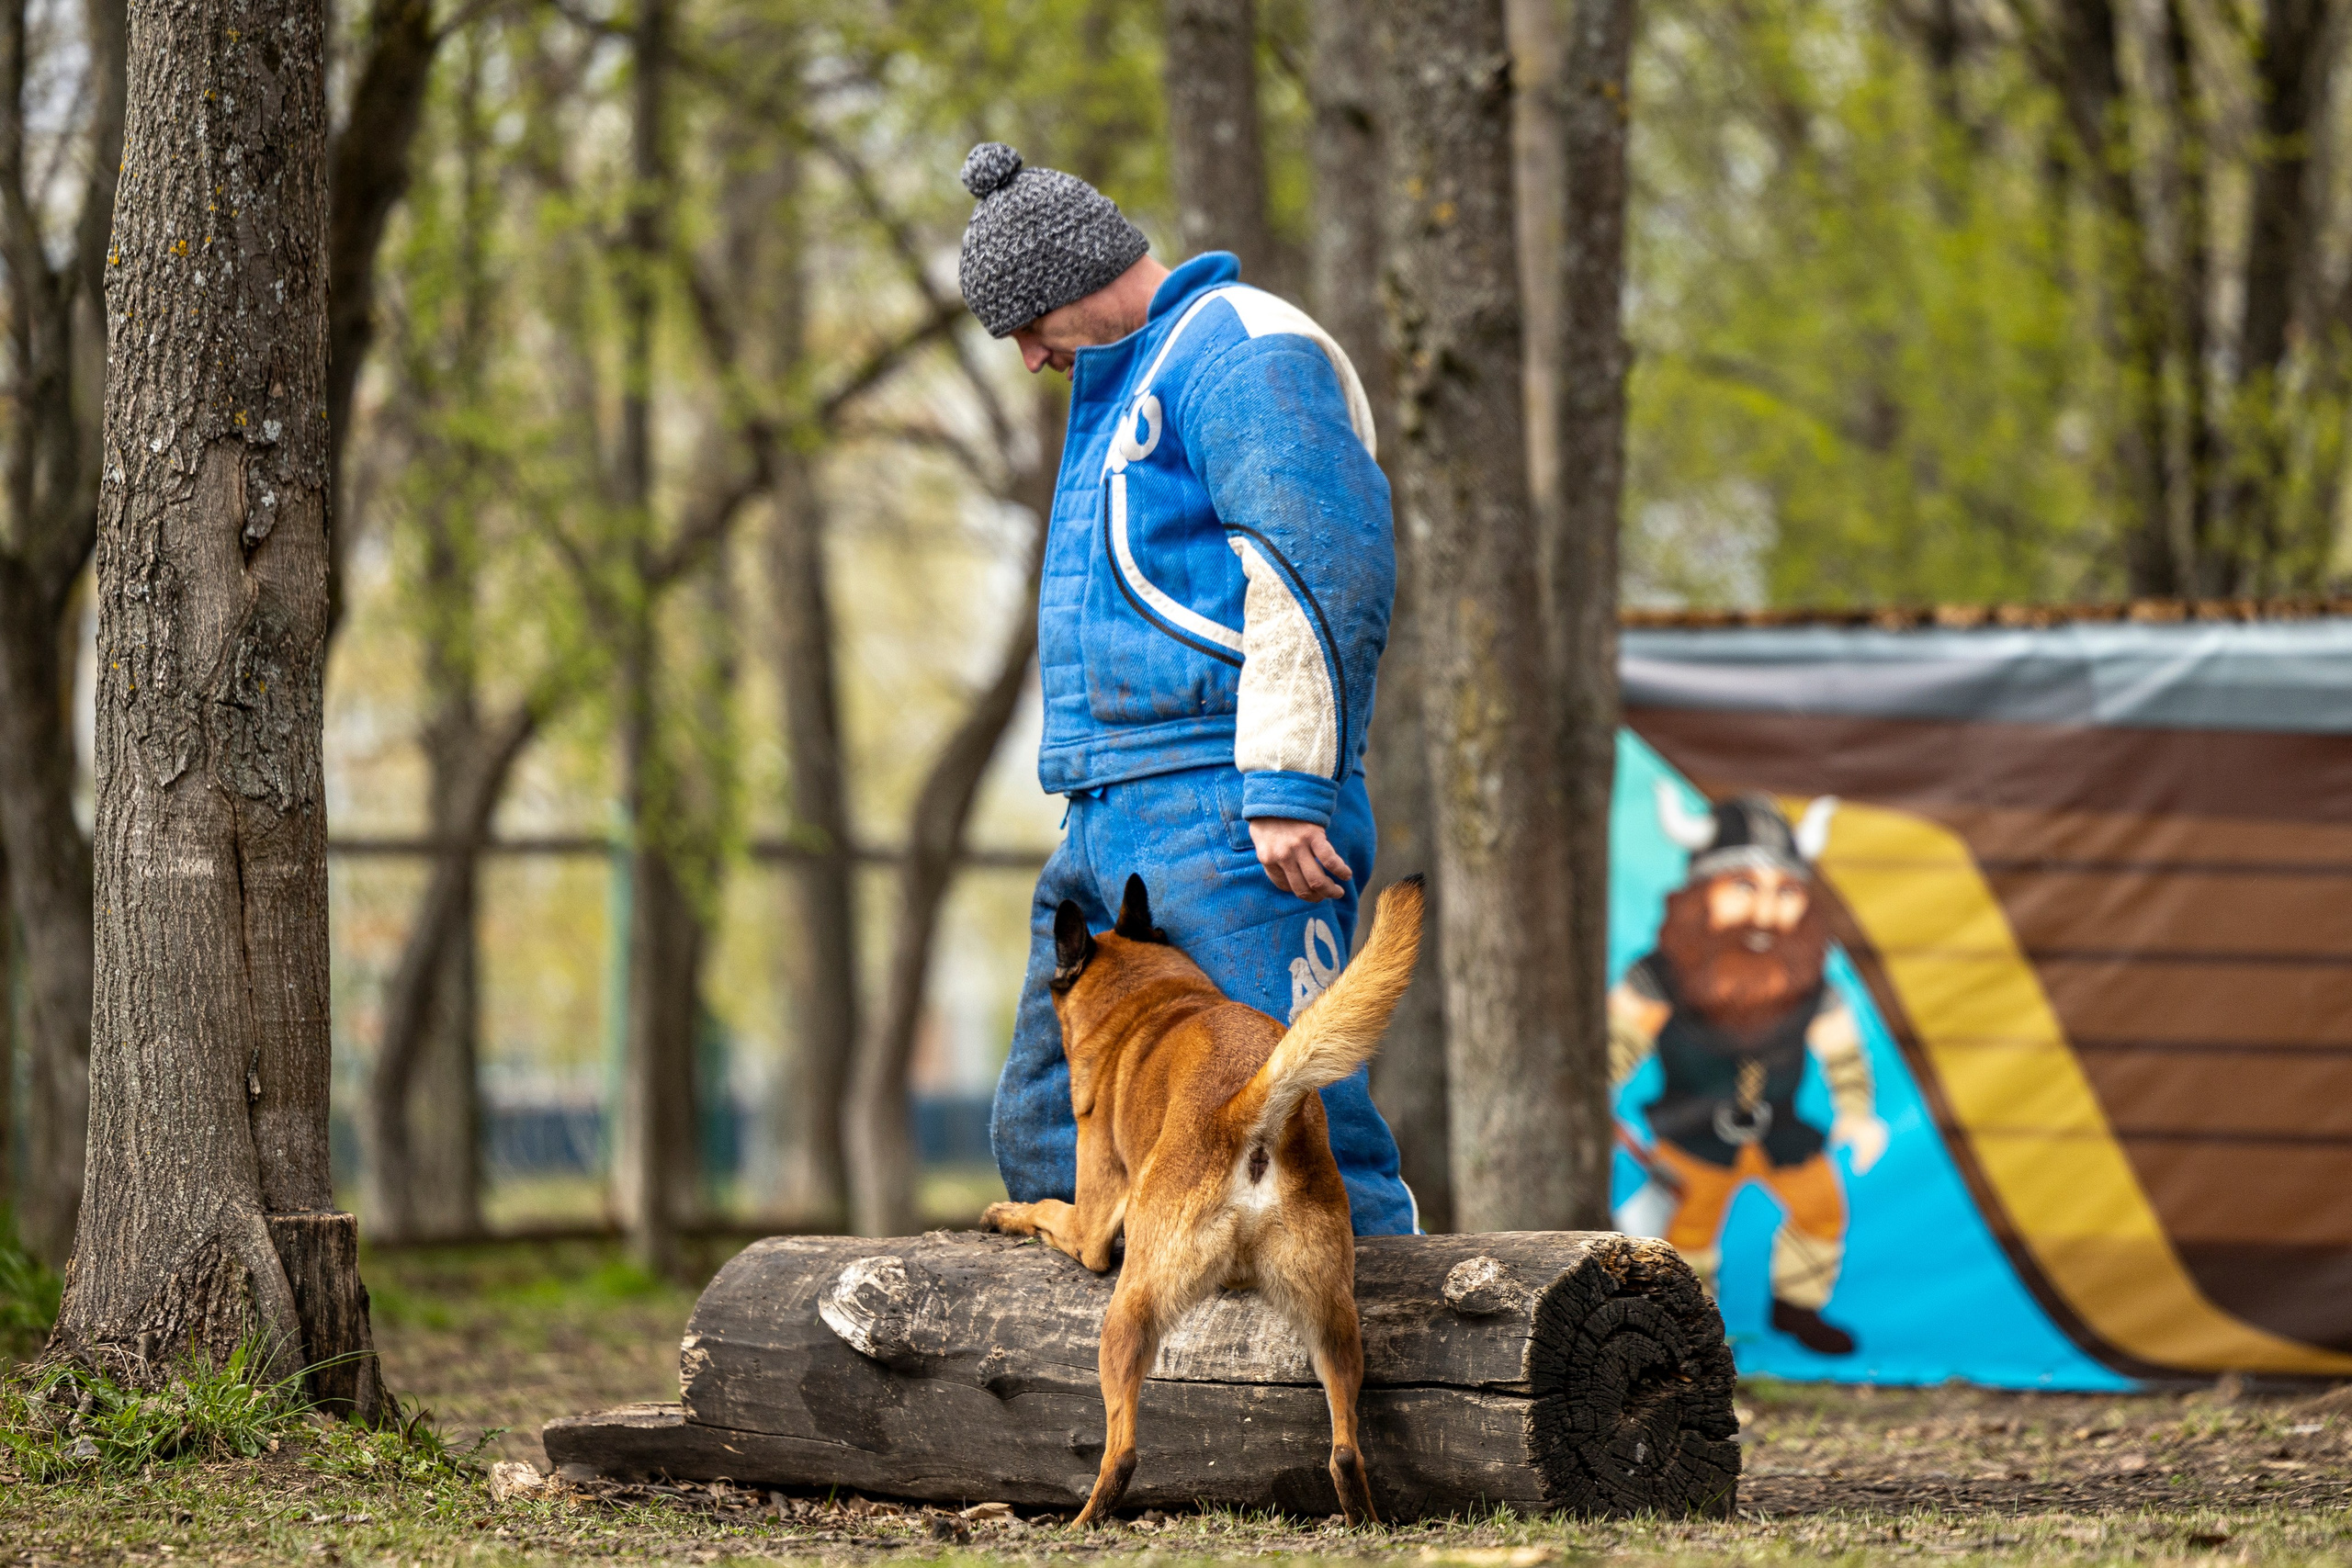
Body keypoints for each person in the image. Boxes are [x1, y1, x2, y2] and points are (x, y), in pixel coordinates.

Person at [957, 141, 1415, 1235]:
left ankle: (1414, 1384)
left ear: (1071, 279)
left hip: (1231, 805)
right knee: (1050, 1128)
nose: (1027, 360)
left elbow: (1318, 561)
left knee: (1304, 1132)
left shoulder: (1242, 346)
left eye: (1027, 326)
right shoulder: (1125, 389)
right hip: (1110, 807)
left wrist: (1288, 781)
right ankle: (1078, 1385)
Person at [1611, 787, 1889, 1355]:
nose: (1766, 912)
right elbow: (1615, 1047)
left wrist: (1858, 1114)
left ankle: (1798, 1307)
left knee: (1821, 1211)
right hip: (1693, 1136)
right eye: (1744, 887)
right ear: (1701, 894)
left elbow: (1843, 1057)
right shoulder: (1659, 976)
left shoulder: (1811, 984)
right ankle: (1692, 1335)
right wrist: (1592, 1094)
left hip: (1783, 1135)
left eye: (1785, 891)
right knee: (1686, 1237)